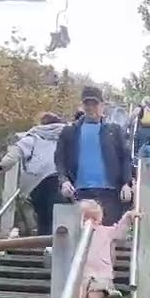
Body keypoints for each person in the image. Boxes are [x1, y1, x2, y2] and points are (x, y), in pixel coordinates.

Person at [55, 86, 134, 227]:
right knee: (79, 237)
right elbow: (59, 159)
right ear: (82, 106)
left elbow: (125, 158)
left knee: (108, 236)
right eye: (87, 104)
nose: (91, 108)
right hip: (79, 193)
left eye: (94, 104)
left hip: (109, 192)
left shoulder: (114, 131)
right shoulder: (70, 132)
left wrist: (126, 183)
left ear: (102, 106)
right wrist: (64, 180)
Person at [0, 112, 66, 237]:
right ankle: (54, 244)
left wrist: (2, 167)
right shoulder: (67, 138)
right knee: (57, 213)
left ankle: (43, 241)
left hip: (37, 181)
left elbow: (15, 153)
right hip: (60, 178)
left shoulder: (34, 136)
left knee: (43, 214)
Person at [77, 200, 138, 298]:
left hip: (101, 274)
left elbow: (119, 232)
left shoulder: (105, 231)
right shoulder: (77, 233)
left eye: (94, 218)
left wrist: (127, 217)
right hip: (82, 273)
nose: (91, 223)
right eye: (86, 218)